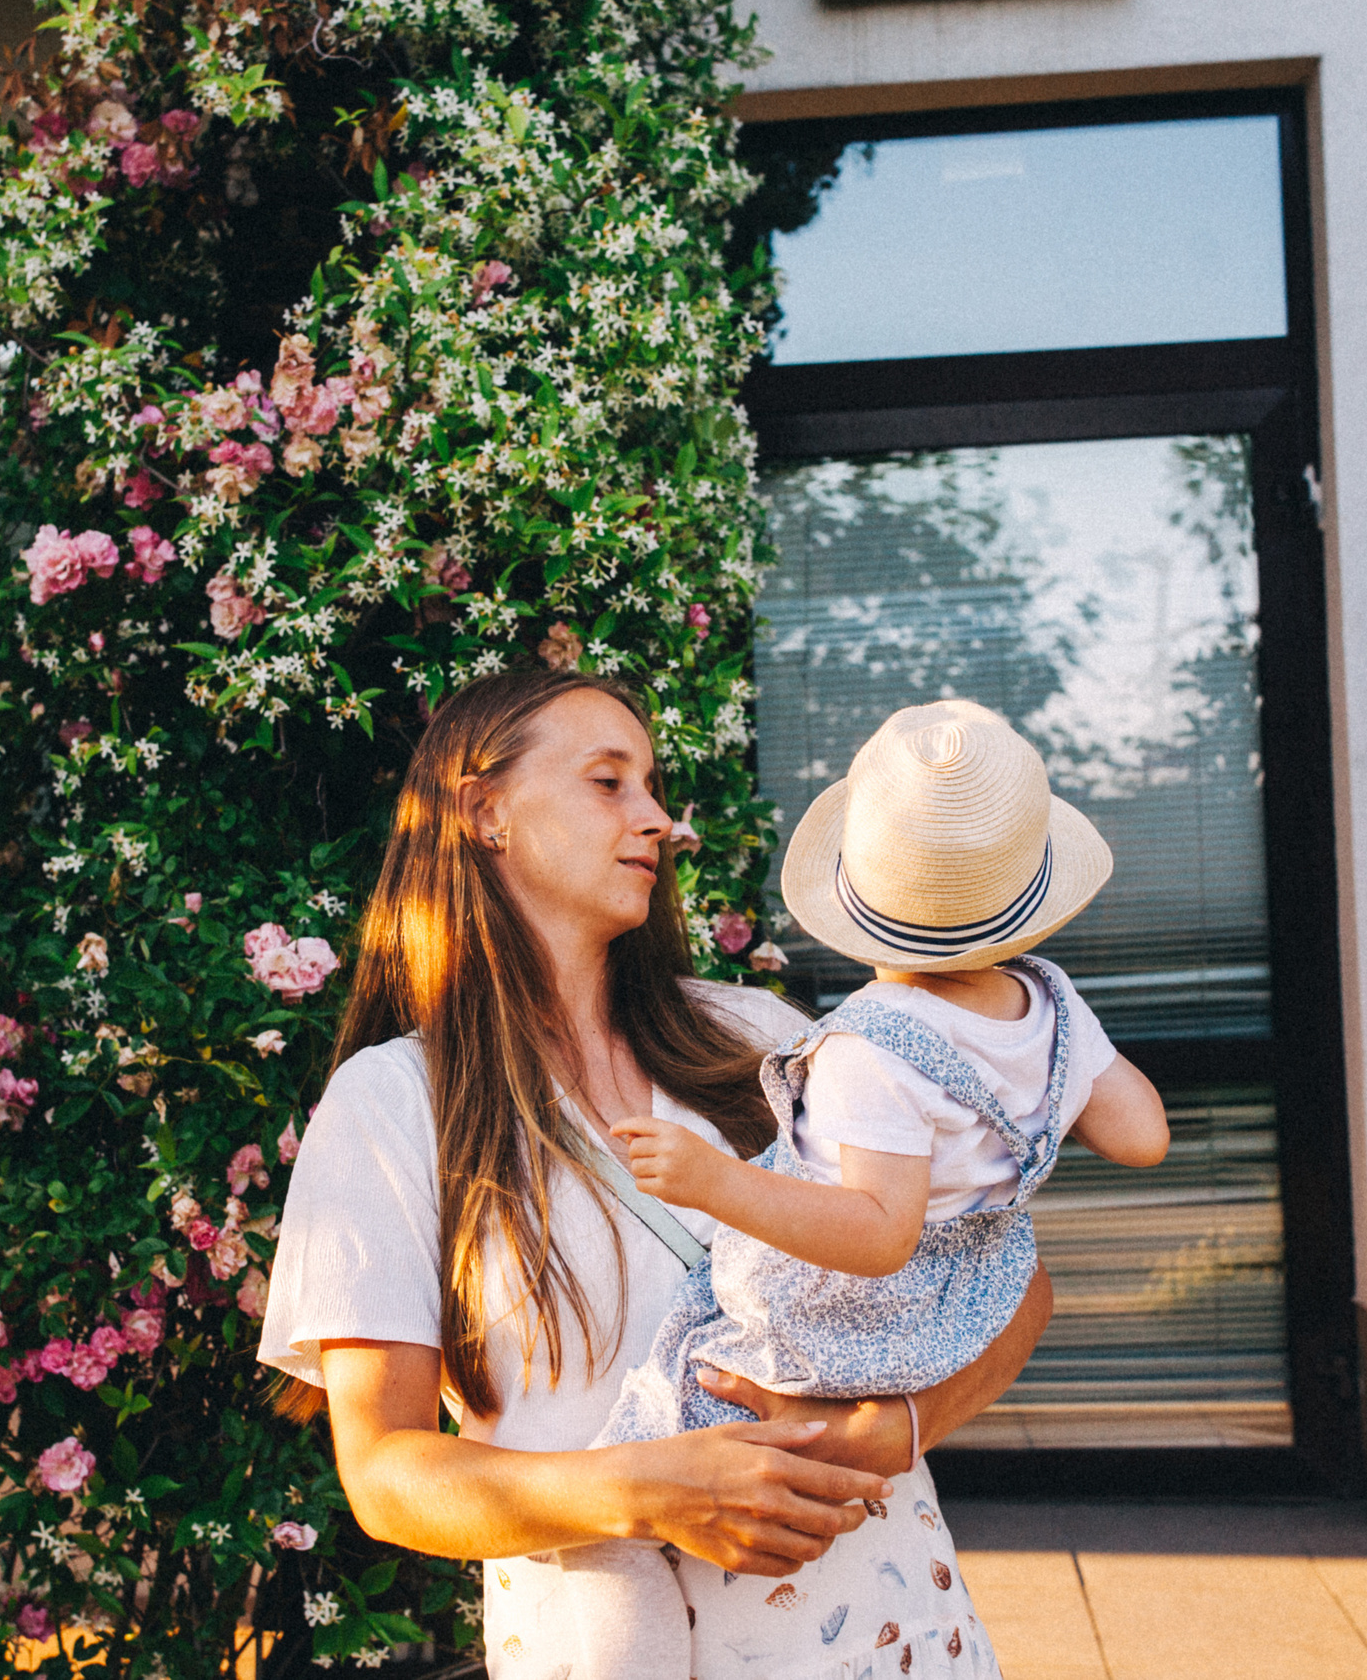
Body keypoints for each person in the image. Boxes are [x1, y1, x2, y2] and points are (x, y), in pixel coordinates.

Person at [258, 672, 1054, 1680]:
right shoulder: (390, 1106)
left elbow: (1012, 1282)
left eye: (653, 784)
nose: (657, 819)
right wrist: (652, 1489)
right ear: (484, 810)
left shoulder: (766, 1040)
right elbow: (386, 1476)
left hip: (878, 1632)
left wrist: (892, 1431)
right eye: (608, 782)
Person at [561, 698, 1172, 1680]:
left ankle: (617, 1552)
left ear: (858, 897)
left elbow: (878, 1232)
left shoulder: (869, 1049)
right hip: (971, 1285)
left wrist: (715, 1182)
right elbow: (1141, 1136)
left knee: (689, 1366)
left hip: (850, 1302)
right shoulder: (1050, 1002)